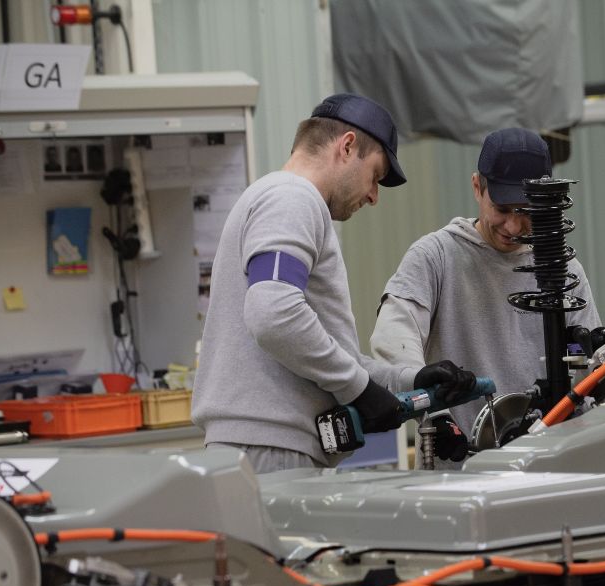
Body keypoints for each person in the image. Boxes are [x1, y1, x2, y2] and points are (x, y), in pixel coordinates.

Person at [192, 93, 474, 474]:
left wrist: (409, 380)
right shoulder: (292, 199)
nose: (373, 196)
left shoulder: (277, 199)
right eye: (375, 176)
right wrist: (358, 389)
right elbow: (274, 314)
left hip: (264, 445)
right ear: (347, 146)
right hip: (273, 447)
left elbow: (322, 348)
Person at [371, 127, 600, 464]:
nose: (514, 226)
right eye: (502, 209)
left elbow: (592, 368)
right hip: (456, 471)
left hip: (545, 472)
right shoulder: (435, 258)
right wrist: (434, 412)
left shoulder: (563, 269)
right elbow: (393, 340)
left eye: (526, 210)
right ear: (477, 187)